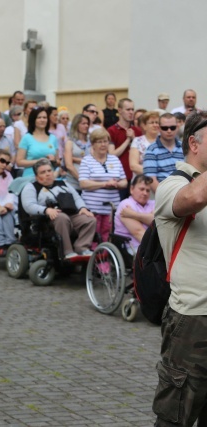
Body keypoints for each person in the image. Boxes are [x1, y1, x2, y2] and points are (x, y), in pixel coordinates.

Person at [151, 111, 207, 427]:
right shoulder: (172, 185)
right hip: (193, 319)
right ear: (193, 144)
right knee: (177, 417)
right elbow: (195, 198)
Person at [21, 158, 96, 258]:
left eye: (49, 171)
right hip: (47, 220)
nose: (47, 174)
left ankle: (82, 248)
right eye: (43, 172)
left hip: (71, 215)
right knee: (61, 217)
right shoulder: (31, 187)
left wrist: (83, 208)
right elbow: (28, 206)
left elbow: (77, 198)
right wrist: (46, 210)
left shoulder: (64, 184)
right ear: (36, 176)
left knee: (90, 219)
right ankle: (67, 251)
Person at [79, 128, 128, 242]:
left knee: (108, 237)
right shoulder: (86, 161)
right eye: (99, 142)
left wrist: (116, 184)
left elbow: (124, 182)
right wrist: (105, 184)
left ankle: (106, 258)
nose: (103, 144)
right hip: (92, 208)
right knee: (94, 237)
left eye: (106, 141)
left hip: (111, 207)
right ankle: (95, 258)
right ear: (93, 144)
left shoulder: (114, 159)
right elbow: (83, 183)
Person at [143, 112, 185, 193]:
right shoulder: (151, 150)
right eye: (165, 128)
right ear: (159, 128)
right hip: (163, 195)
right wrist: (166, 197)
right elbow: (151, 180)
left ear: (177, 127)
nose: (169, 131)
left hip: (185, 193)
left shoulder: (184, 147)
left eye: (172, 127)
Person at [113, 174, 154, 255]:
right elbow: (138, 232)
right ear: (131, 189)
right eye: (141, 189)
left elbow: (156, 220)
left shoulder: (154, 203)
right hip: (132, 247)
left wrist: (133, 214)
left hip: (151, 244)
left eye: (148, 190)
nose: (145, 193)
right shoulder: (125, 205)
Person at [107, 98, 142, 185]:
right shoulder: (112, 130)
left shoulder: (137, 131)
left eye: (132, 109)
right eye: (128, 109)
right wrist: (128, 140)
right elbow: (112, 154)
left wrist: (134, 139)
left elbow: (143, 153)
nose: (131, 112)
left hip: (136, 177)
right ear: (120, 110)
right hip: (119, 177)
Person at [16, 107, 59, 177]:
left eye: (44, 117)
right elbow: (19, 162)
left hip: (49, 178)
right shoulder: (27, 138)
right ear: (33, 120)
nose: (42, 120)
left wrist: (54, 160)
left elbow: (58, 161)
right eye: (39, 117)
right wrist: (38, 162)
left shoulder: (53, 138)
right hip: (31, 177)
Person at [63, 114, 91, 191]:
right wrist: (81, 180)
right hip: (74, 185)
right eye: (83, 123)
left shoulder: (91, 142)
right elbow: (69, 165)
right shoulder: (70, 143)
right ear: (76, 125)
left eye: (87, 123)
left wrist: (76, 159)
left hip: (90, 184)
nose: (86, 126)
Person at [129, 110, 159, 175]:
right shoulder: (137, 141)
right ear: (144, 126)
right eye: (152, 122)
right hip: (142, 180)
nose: (155, 125)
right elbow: (133, 166)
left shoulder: (165, 141)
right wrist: (154, 173)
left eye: (157, 122)